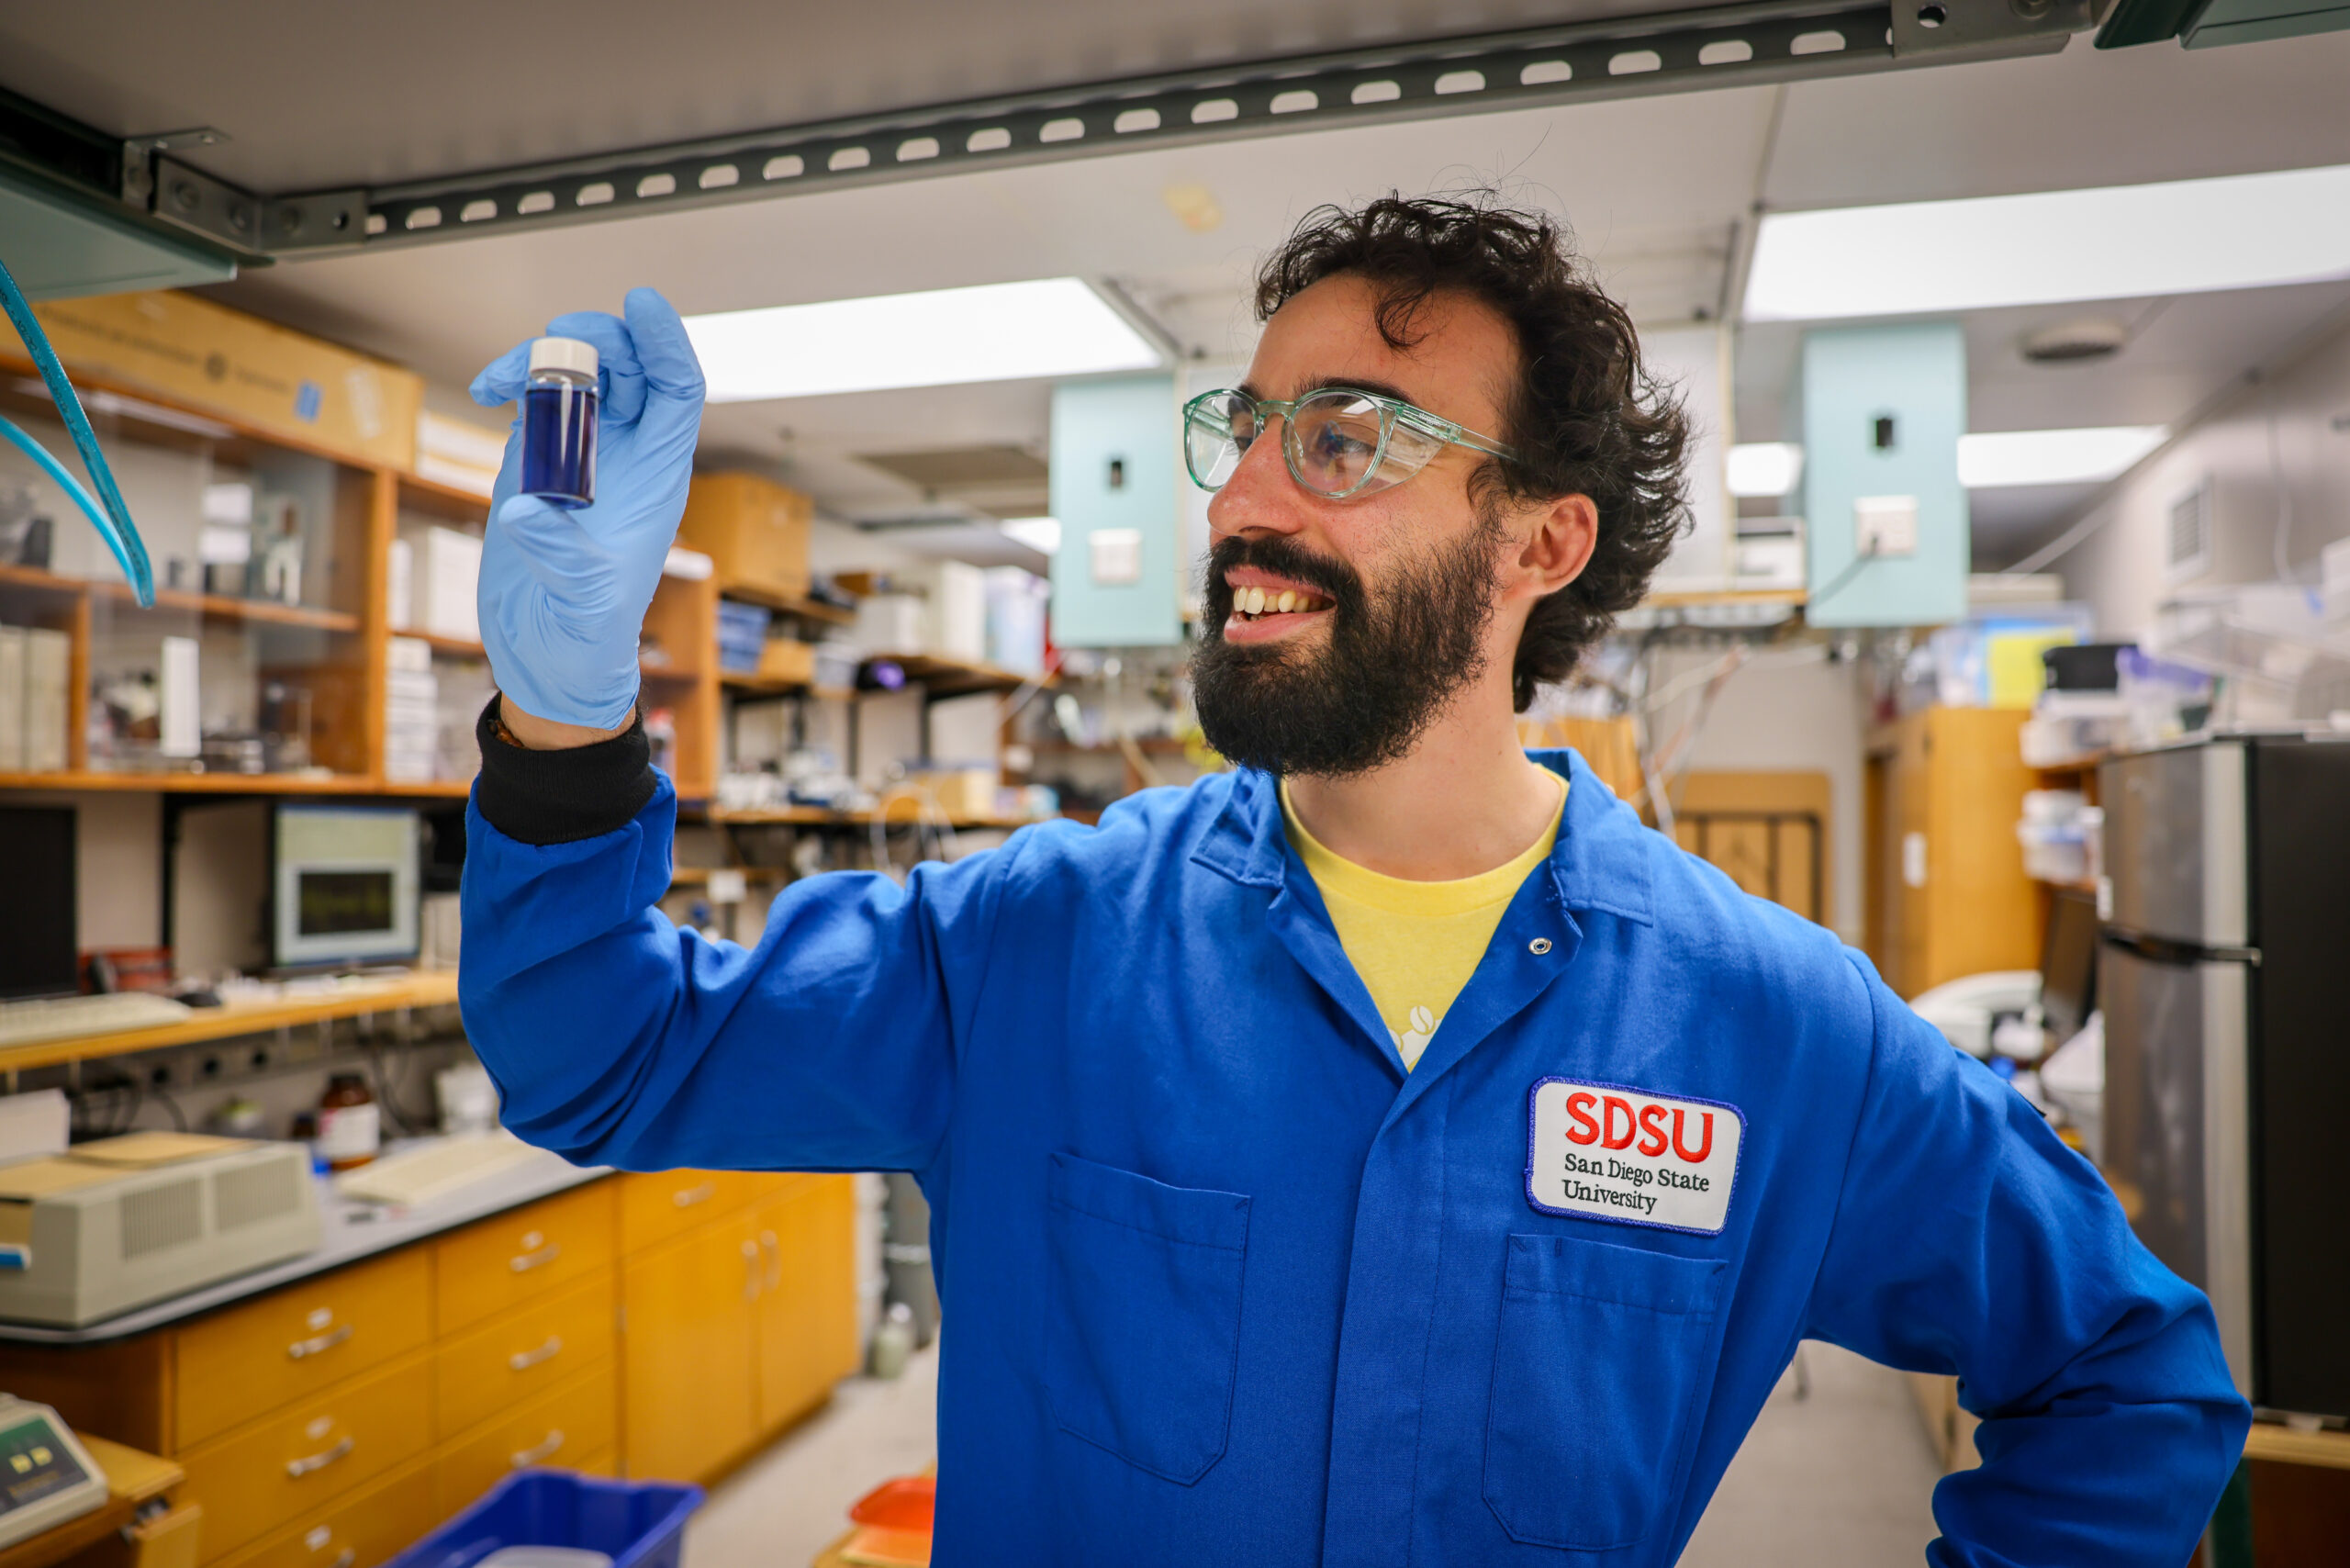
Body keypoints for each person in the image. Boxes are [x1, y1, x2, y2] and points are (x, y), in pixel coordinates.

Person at [460, 196, 2247, 1565]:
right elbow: (592, 1050)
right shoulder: (1036, 945)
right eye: (1241, 429)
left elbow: (2128, 1379)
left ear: (1540, 539)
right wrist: (563, 704)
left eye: (1346, 433)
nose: (1242, 491)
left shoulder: (1769, 1030)